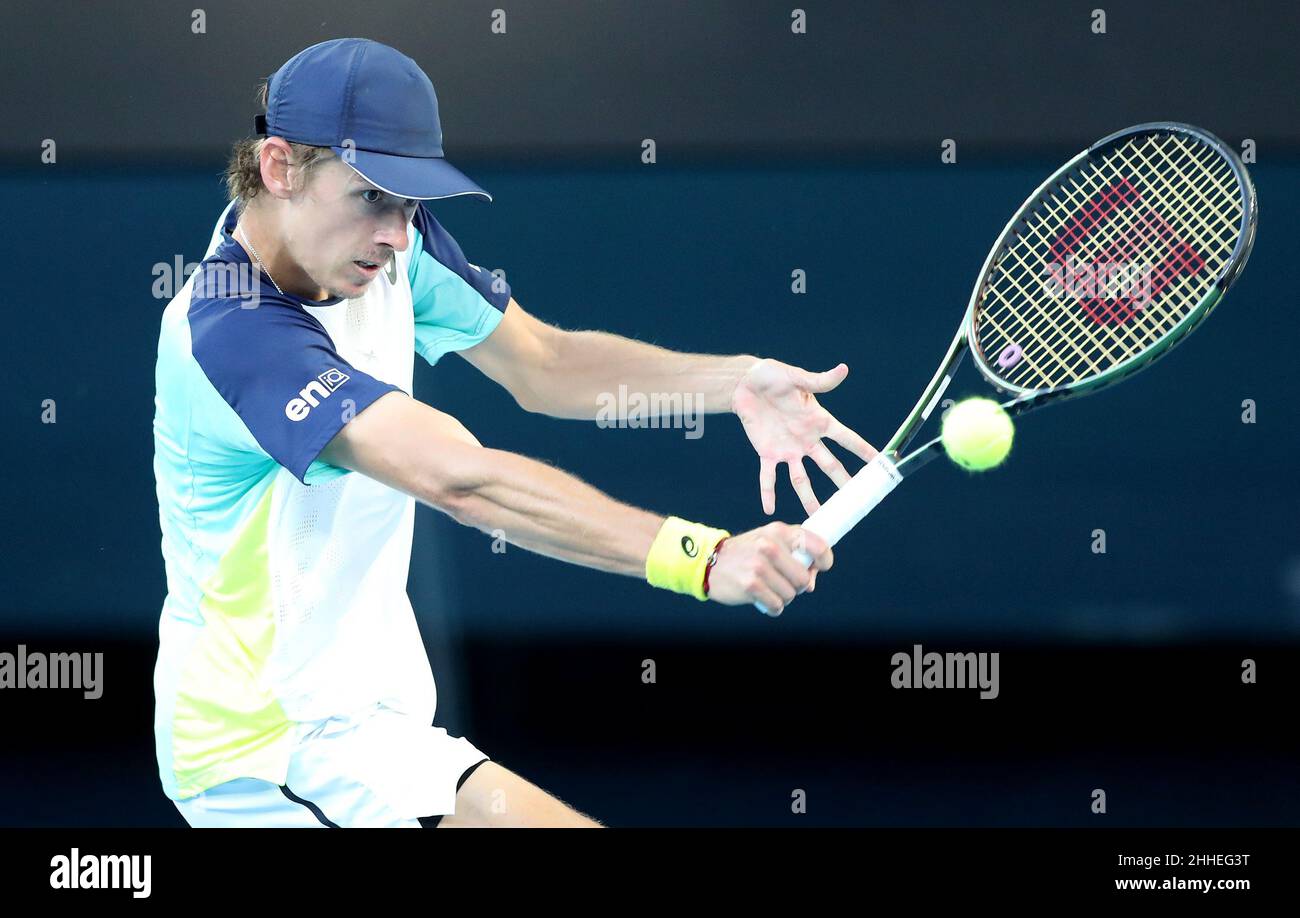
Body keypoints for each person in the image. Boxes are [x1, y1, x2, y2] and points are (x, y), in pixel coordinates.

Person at [152, 38, 875, 828]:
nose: (397, 233)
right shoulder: (232, 332)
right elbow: (460, 481)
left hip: (370, 732)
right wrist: (703, 560)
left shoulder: (388, 250)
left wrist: (732, 380)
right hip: (270, 755)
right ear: (281, 167)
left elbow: (547, 364)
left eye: (409, 204)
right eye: (373, 196)